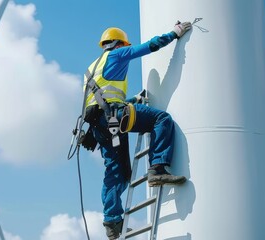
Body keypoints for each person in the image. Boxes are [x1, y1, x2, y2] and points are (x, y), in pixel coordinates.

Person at [82, 21, 192, 239]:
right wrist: (174, 33)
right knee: (161, 119)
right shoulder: (117, 54)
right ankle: (157, 169)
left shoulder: (92, 67)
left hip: (99, 125)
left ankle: (113, 224)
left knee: (118, 174)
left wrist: (134, 100)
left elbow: (103, 97)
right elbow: (150, 46)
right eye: (124, 44)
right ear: (118, 43)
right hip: (114, 117)